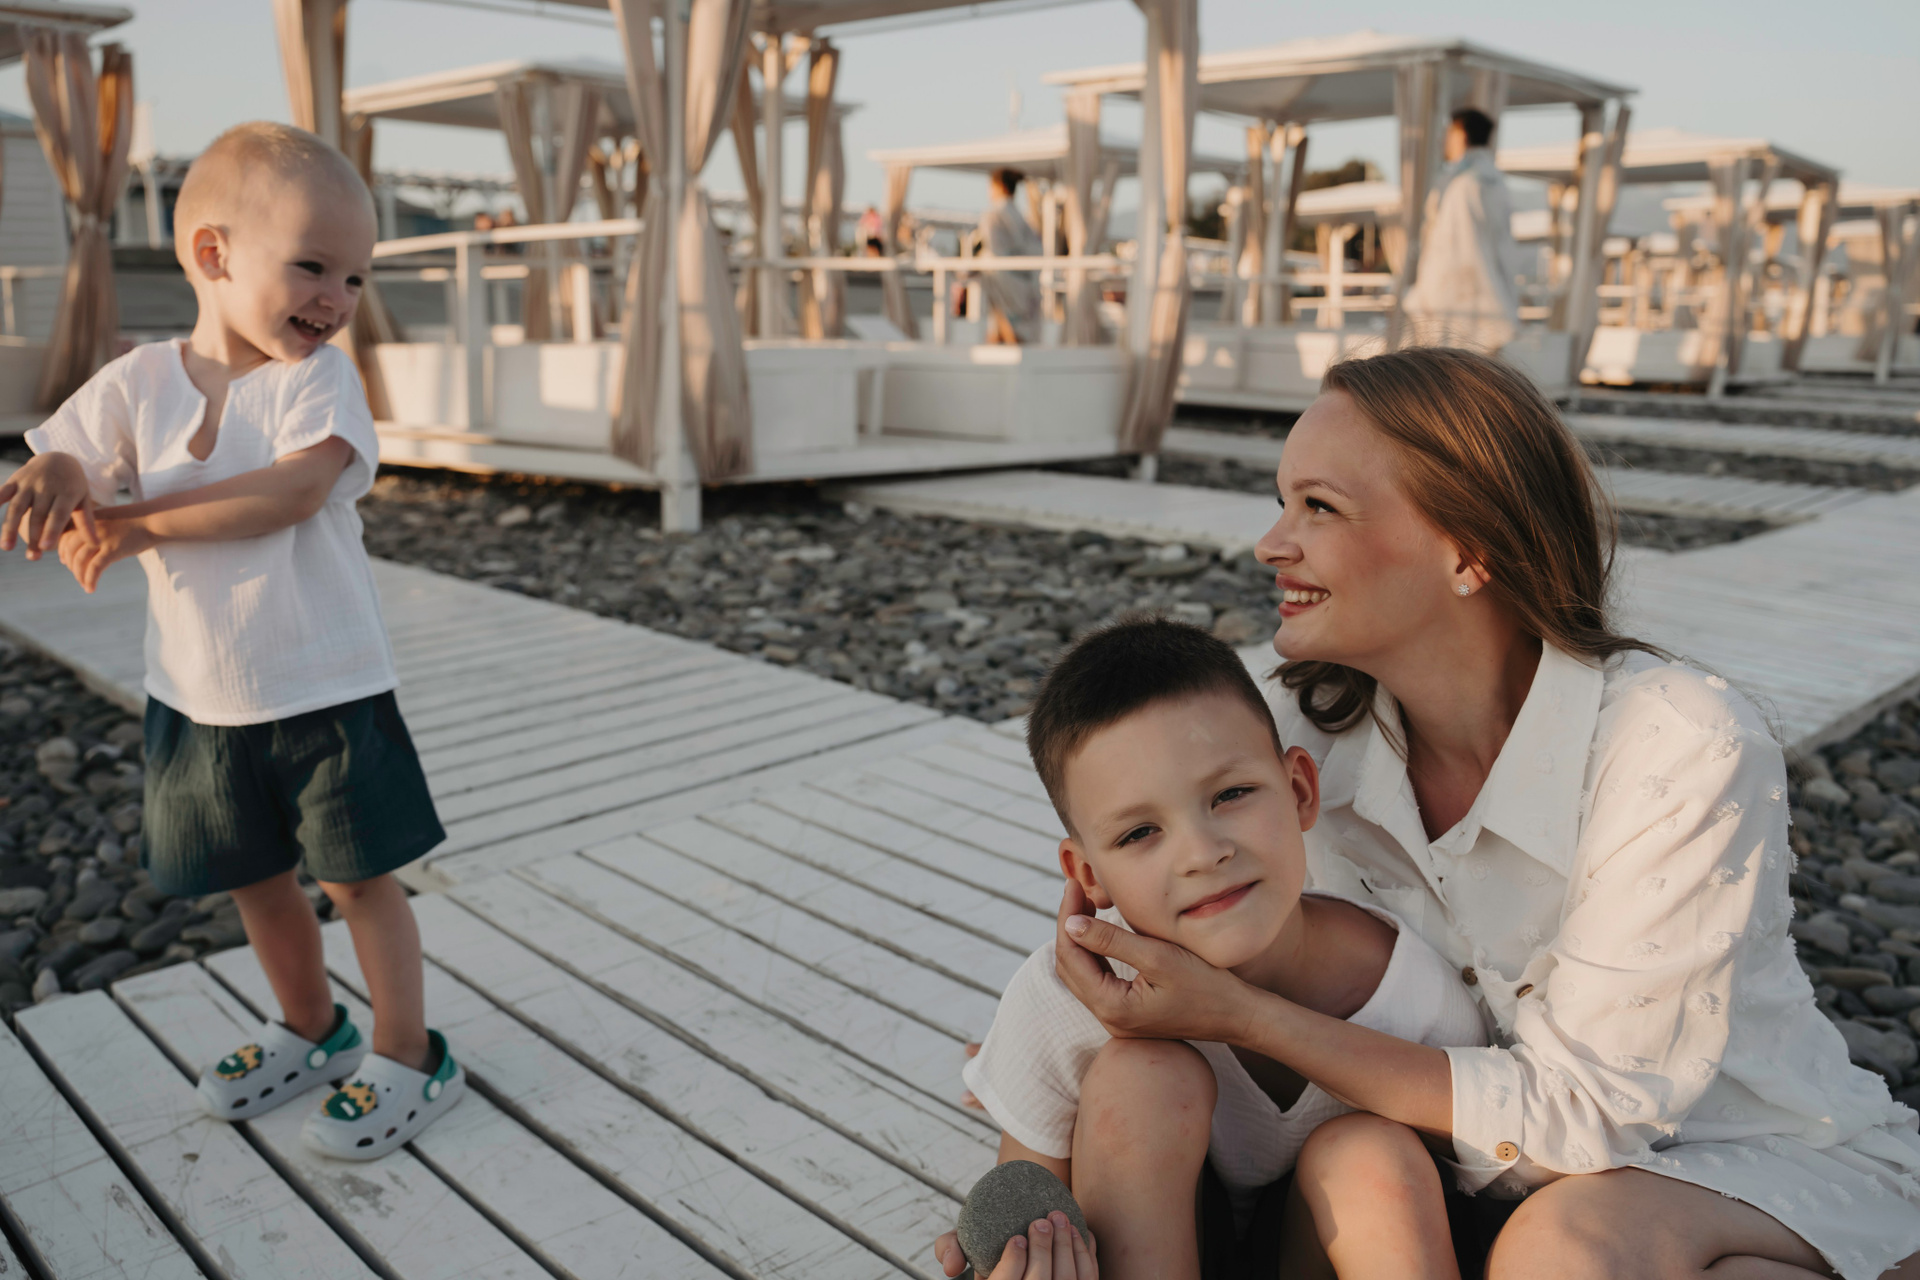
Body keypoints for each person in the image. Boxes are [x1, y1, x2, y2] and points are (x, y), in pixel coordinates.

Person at [1044, 346, 1920, 1279]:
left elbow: (1584, 1117)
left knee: (1567, 1248)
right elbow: (1139, 930)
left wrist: (1250, 1018)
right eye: (1281, 502)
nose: (1271, 544)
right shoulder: (1291, 738)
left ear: (1467, 549)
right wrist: (1030, 1179)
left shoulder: (1674, 742)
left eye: (1319, 507)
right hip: (1437, 1182)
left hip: (1731, 1157)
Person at [0, 122, 464, 1162]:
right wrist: (58, 475)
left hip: (327, 687)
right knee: (255, 877)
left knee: (361, 880)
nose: (337, 298)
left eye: (355, 277)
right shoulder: (139, 380)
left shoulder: (316, 382)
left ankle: (409, 1050)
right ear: (214, 254)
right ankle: (312, 1025)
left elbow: (290, 492)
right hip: (200, 695)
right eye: (313, 266)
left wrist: (135, 524)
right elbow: (70, 449)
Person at [934, 616, 1488, 1280]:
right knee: (1144, 1075)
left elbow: (1479, 1195)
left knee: (1370, 1153)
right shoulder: (1062, 999)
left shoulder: (1414, 1000)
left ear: (1299, 791)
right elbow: (1026, 1203)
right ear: (1088, 875)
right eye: (1140, 833)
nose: (1202, 853)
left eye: (1231, 794)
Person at [1400, 108, 1521, 353]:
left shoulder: (1462, 185)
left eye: (1448, 132)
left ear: (1460, 134)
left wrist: (1424, 298)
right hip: (1491, 301)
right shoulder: (1495, 183)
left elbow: (1454, 248)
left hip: (1460, 308)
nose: (1443, 140)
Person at [979, 167, 1043, 344]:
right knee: (1015, 331)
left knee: (1005, 329)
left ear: (999, 186)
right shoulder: (1021, 217)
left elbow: (994, 248)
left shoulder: (993, 215)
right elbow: (1036, 248)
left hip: (1003, 280)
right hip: (1024, 280)